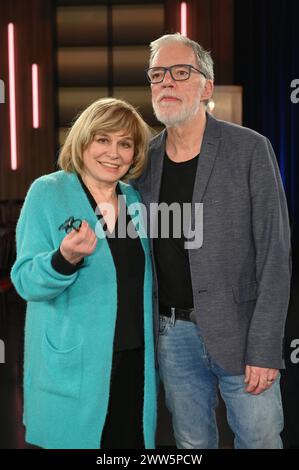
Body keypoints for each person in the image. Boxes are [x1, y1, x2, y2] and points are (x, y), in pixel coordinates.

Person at [134, 33, 291, 449]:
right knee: (190, 443)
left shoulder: (251, 149)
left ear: (206, 86)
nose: (166, 82)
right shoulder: (143, 162)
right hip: (173, 336)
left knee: (259, 440)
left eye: (180, 72)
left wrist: (265, 347)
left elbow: (275, 255)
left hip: (242, 334)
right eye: (157, 74)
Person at [11, 97, 157, 449]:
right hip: (74, 365)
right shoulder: (47, 192)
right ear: (83, 141)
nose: (114, 152)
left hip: (134, 361)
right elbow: (26, 279)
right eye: (103, 140)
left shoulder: (133, 199)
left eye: (125, 144)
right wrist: (64, 259)